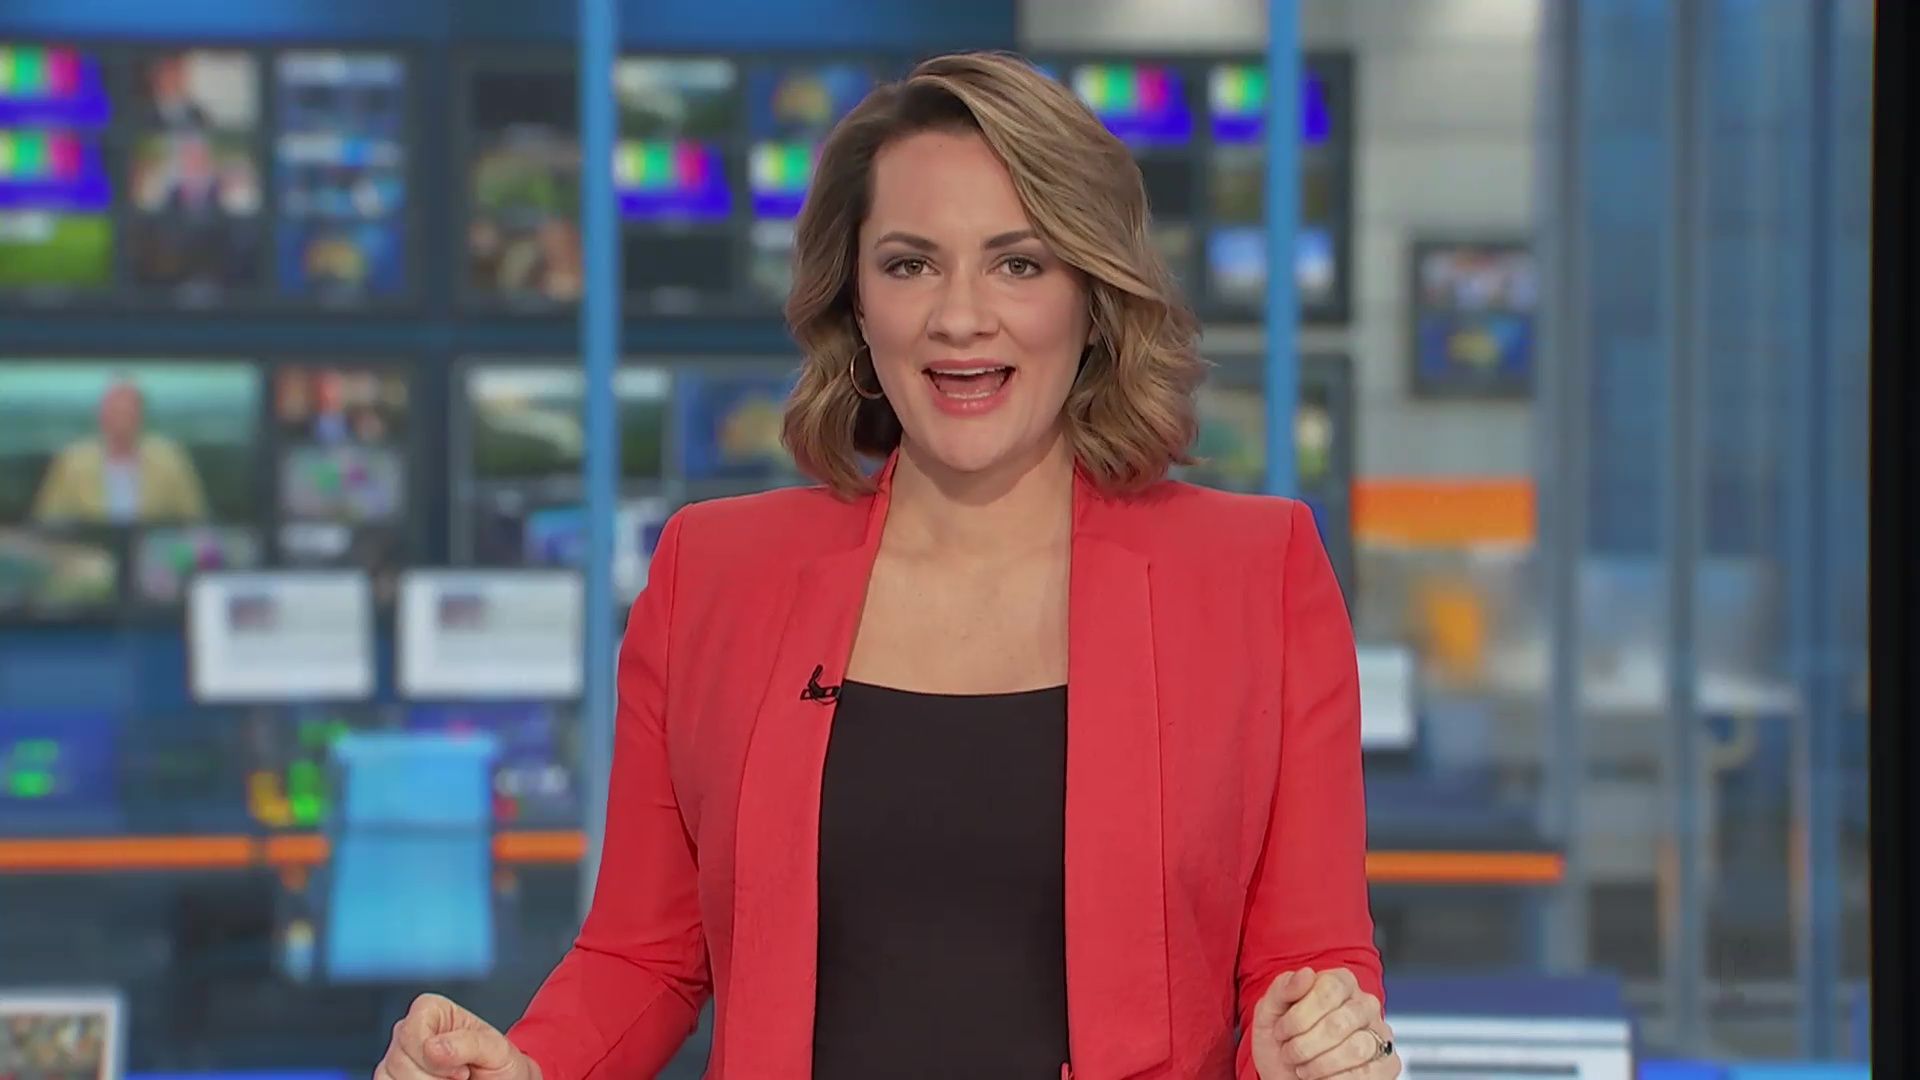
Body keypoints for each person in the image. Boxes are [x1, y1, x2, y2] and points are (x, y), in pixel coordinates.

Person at [377, 51, 1394, 1080]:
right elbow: (644, 957)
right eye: (911, 265)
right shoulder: (714, 575)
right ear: (857, 305)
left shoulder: (1254, 576)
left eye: (1019, 264)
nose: (960, 316)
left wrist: (1312, 1049)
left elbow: (1312, 969)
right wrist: (521, 1068)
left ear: (1093, 297)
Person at [31, 378, 209, 525]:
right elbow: (48, 523)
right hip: (88, 552)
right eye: (115, 412)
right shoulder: (72, 461)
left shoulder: (170, 458)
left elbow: (195, 520)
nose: (121, 421)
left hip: (153, 553)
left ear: (141, 417)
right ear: (101, 416)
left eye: (128, 412)